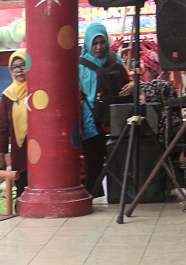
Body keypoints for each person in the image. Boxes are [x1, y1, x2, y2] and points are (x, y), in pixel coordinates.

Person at [79, 24, 131, 197]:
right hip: (91, 119)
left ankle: (120, 196)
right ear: (88, 44)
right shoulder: (80, 66)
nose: (99, 47)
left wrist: (132, 86)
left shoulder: (116, 60)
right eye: (95, 43)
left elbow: (131, 80)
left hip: (116, 117)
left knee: (120, 159)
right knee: (93, 162)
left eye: (102, 42)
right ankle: (94, 196)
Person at [0, 50, 30, 197]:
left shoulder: (37, 90)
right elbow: (2, 128)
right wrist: (0, 155)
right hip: (19, 151)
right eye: (15, 67)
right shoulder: (8, 95)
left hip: (38, 148)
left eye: (23, 65)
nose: (19, 70)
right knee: (22, 187)